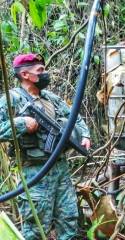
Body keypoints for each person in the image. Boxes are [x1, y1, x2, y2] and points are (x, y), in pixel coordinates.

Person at [0, 53, 91, 239]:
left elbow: (75, 116)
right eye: (40, 70)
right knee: (36, 226)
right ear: (25, 74)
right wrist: (21, 123)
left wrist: (85, 135)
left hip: (60, 168)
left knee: (69, 218)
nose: (45, 73)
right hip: (35, 173)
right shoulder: (12, 99)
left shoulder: (50, 97)